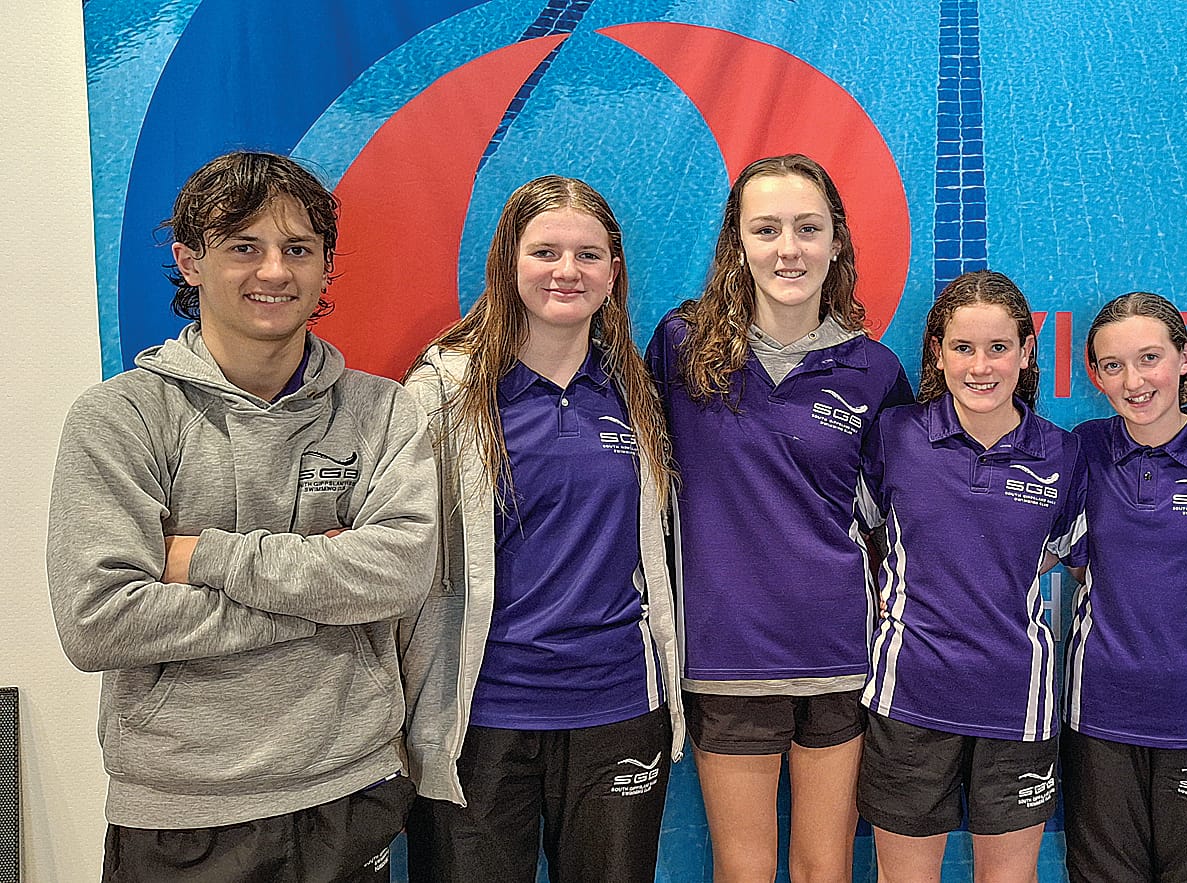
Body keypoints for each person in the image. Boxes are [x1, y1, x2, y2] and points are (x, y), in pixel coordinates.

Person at [46, 150, 436, 882]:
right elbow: (100, 620)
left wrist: (205, 558)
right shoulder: (121, 418)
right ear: (189, 262)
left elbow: (400, 574)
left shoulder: (381, 411)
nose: (273, 272)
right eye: (243, 247)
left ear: (325, 267)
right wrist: (326, 598)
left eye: (297, 249)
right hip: (183, 811)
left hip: (350, 787)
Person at [400, 176, 682, 882]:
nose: (567, 270)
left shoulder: (637, 390)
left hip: (618, 705)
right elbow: (397, 552)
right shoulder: (442, 391)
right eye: (546, 250)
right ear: (508, 261)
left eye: (588, 255)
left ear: (614, 272)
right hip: (482, 713)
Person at [645, 154, 912, 883]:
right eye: (766, 229)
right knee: (743, 869)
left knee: (824, 867)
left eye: (806, 228)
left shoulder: (875, 371)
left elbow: (905, 513)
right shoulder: (680, 345)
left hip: (837, 655)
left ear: (836, 242)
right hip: (727, 656)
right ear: (738, 242)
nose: (787, 248)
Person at [854, 269, 1088, 883]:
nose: (981, 366)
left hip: (1018, 702)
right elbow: (862, 532)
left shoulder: (1062, 454)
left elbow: (1060, 552)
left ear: (1027, 351)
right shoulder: (895, 436)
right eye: (963, 348)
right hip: (909, 697)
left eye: (998, 348)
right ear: (938, 352)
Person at [1060, 291, 1187, 883]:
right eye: (1113, 365)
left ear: (1186, 358)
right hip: (1100, 709)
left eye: (1150, 358)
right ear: (1095, 374)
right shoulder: (1081, 449)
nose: (1134, 380)